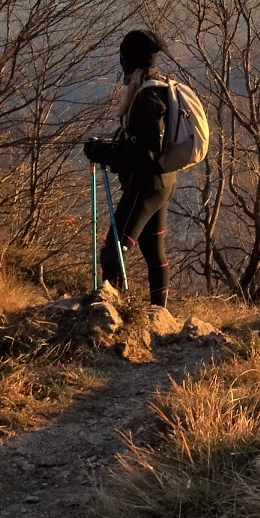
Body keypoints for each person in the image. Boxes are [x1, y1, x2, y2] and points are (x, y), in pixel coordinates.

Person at [83, 28, 176, 310]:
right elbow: (142, 143)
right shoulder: (159, 87)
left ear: (130, 61)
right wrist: (111, 149)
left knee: (114, 251)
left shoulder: (147, 97)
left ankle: (114, 312)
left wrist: (107, 154)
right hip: (162, 183)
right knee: (154, 251)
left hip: (146, 185)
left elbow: (144, 153)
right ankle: (159, 314)